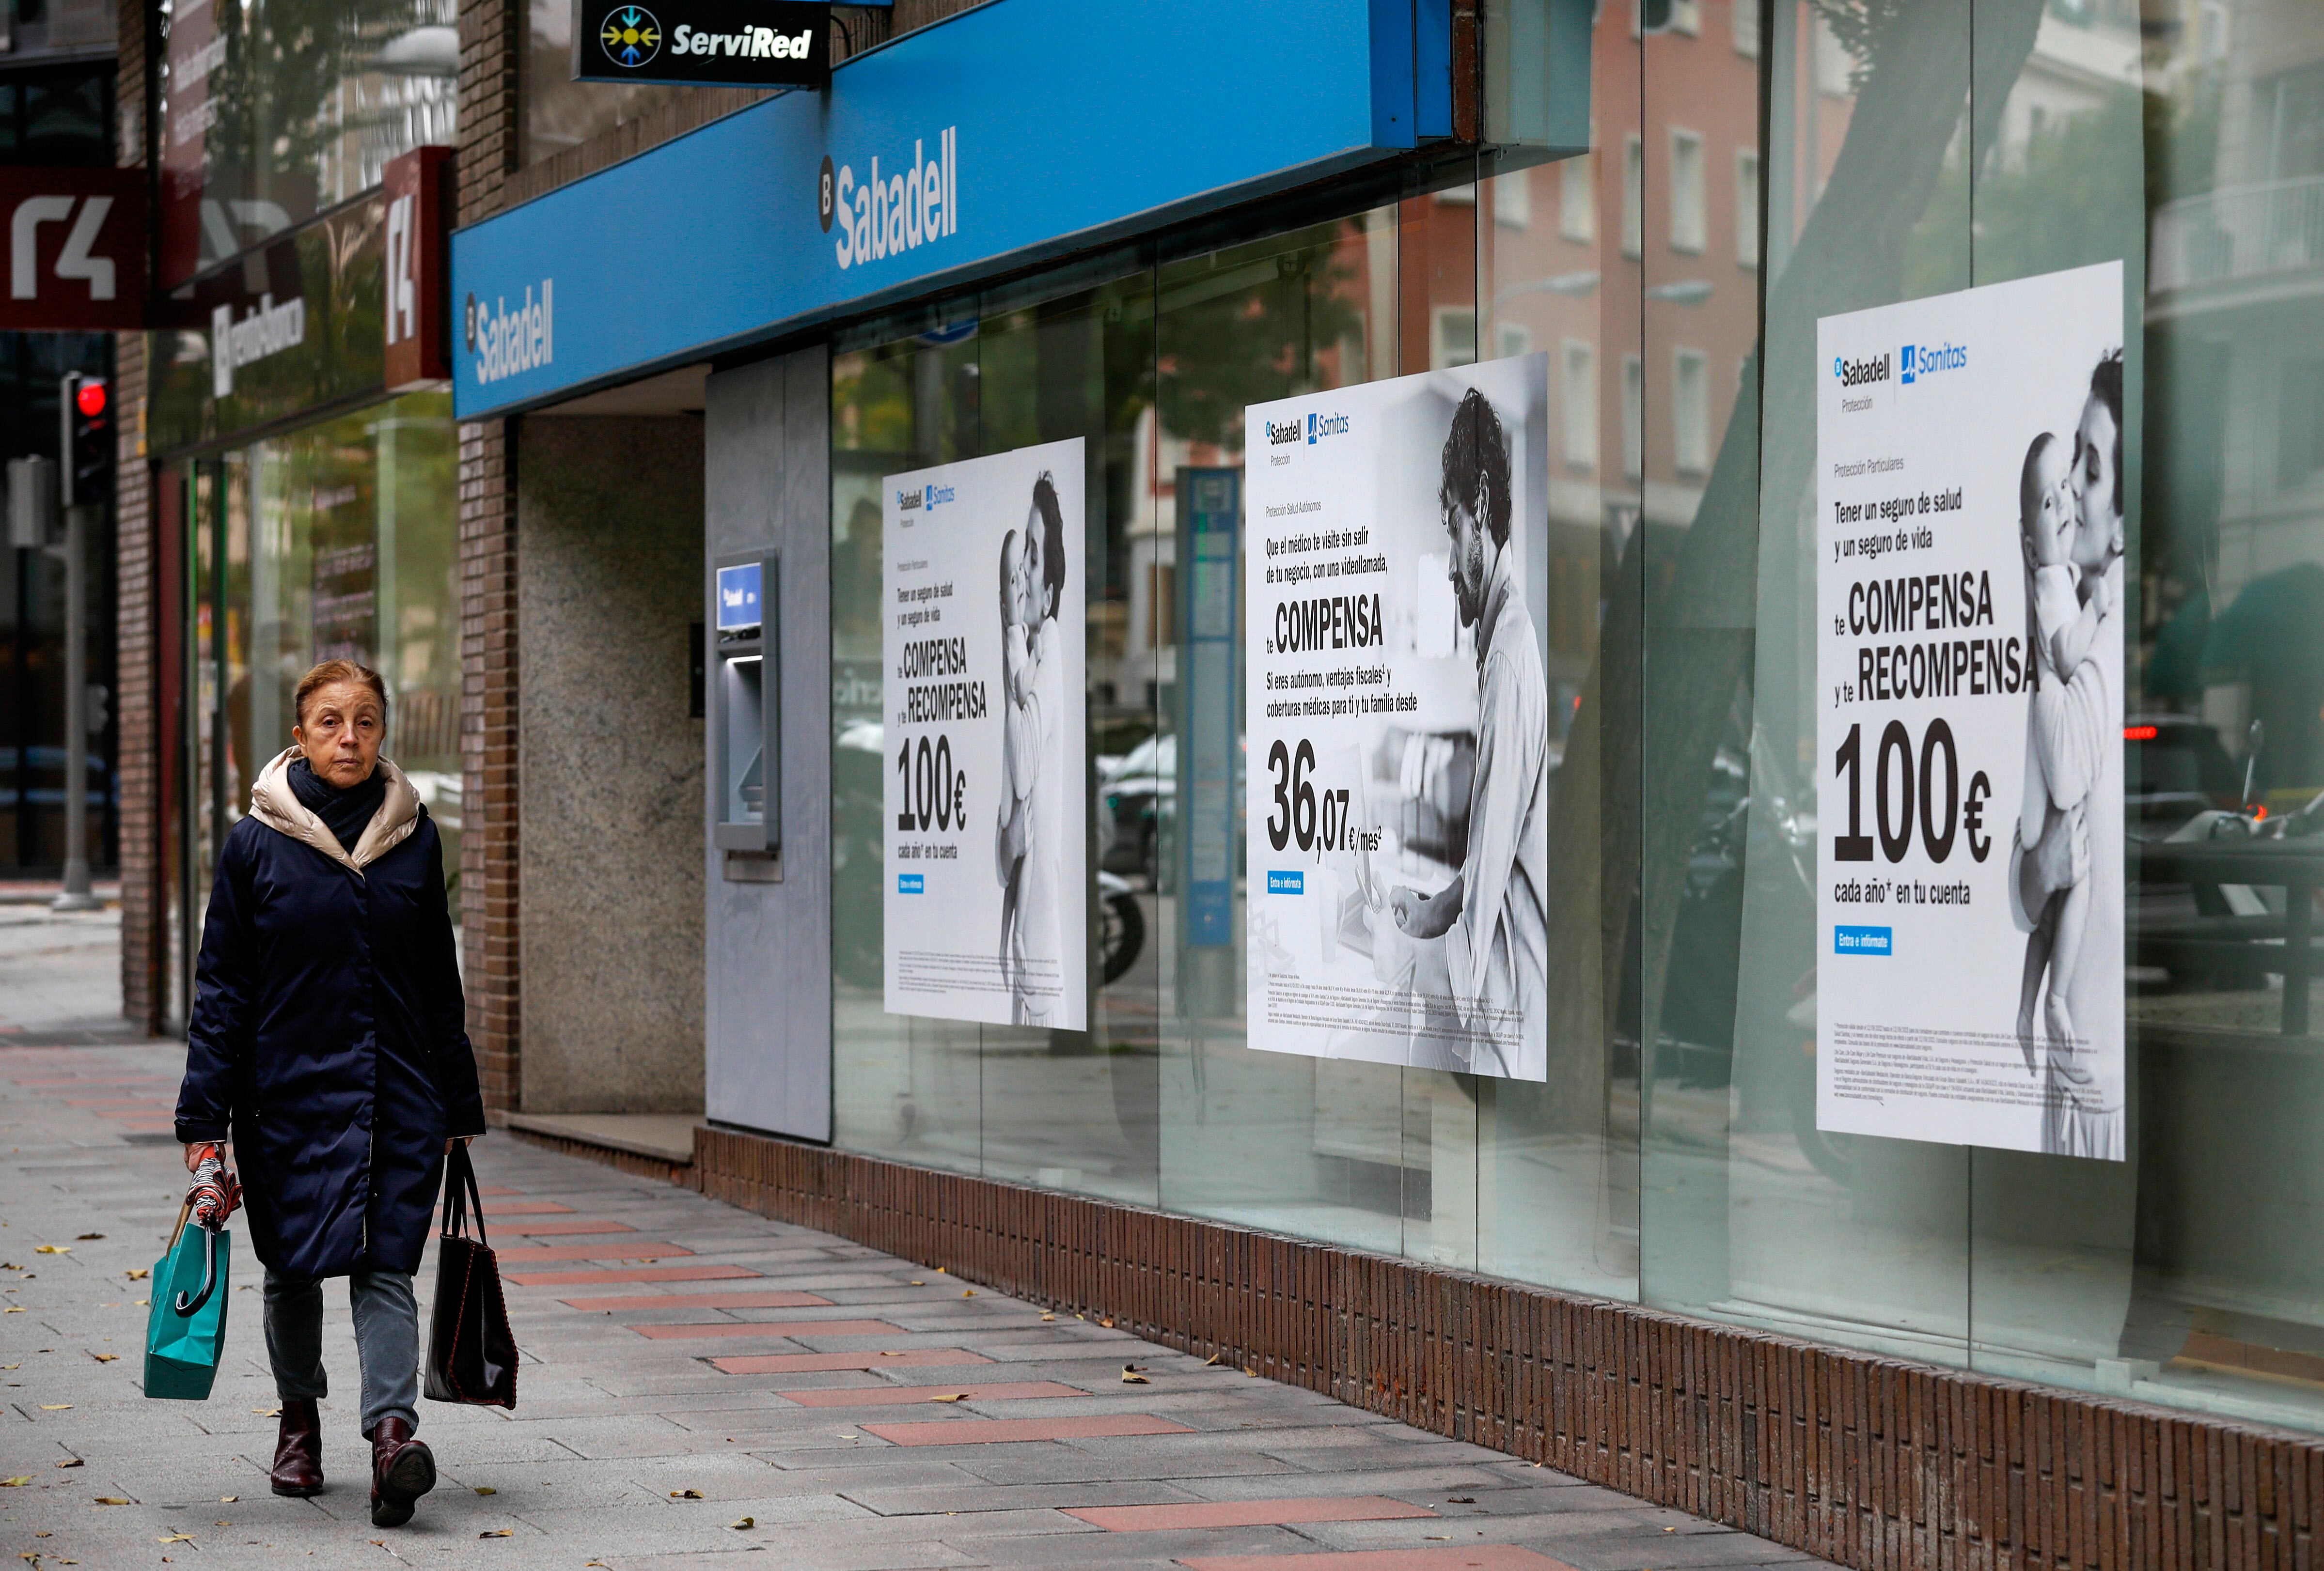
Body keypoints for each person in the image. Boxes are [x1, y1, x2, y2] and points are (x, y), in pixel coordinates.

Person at [173, 658, 486, 1527]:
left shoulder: (415, 836)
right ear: (301, 733)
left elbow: (436, 978)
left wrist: (458, 1108)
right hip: (287, 1096)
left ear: (384, 732)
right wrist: (206, 1124)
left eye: (366, 722)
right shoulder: (255, 843)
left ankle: (392, 1439)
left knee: (387, 1259)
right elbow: (223, 988)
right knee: (294, 1267)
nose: (349, 739)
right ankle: (299, 1419)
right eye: (330, 722)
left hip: (399, 1090)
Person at [1384, 388, 1551, 1078]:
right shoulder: (1502, 644)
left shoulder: (1508, 655)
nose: (1450, 562)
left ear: (1480, 508)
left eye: (1452, 528)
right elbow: (1489, 856)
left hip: (1507, 1026)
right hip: (1503, 1014)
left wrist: (1408, 957)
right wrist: (1428, 914)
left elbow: (1481, 917)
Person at [2014, 353, 2128, 1159]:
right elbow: (2025, 875)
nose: (2073, 500)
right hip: (2073, 1088)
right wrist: (2043, 864)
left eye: (2089, 472)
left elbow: (2066, 772)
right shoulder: (2071, 612)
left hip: (2104, 1089)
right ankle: (2036, 1009)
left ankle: (2040, 1007)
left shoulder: (2108, 637)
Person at [995, 473, 1068, 1026]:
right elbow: (1002, 857)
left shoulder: (1054, 651)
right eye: (1024, 550)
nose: (1021, 571)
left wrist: (1010, 630)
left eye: (1033, 559)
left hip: (1039, 970)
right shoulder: (1027, 672)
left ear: (1047, 595)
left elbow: (1023, 772)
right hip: (1024, 968)